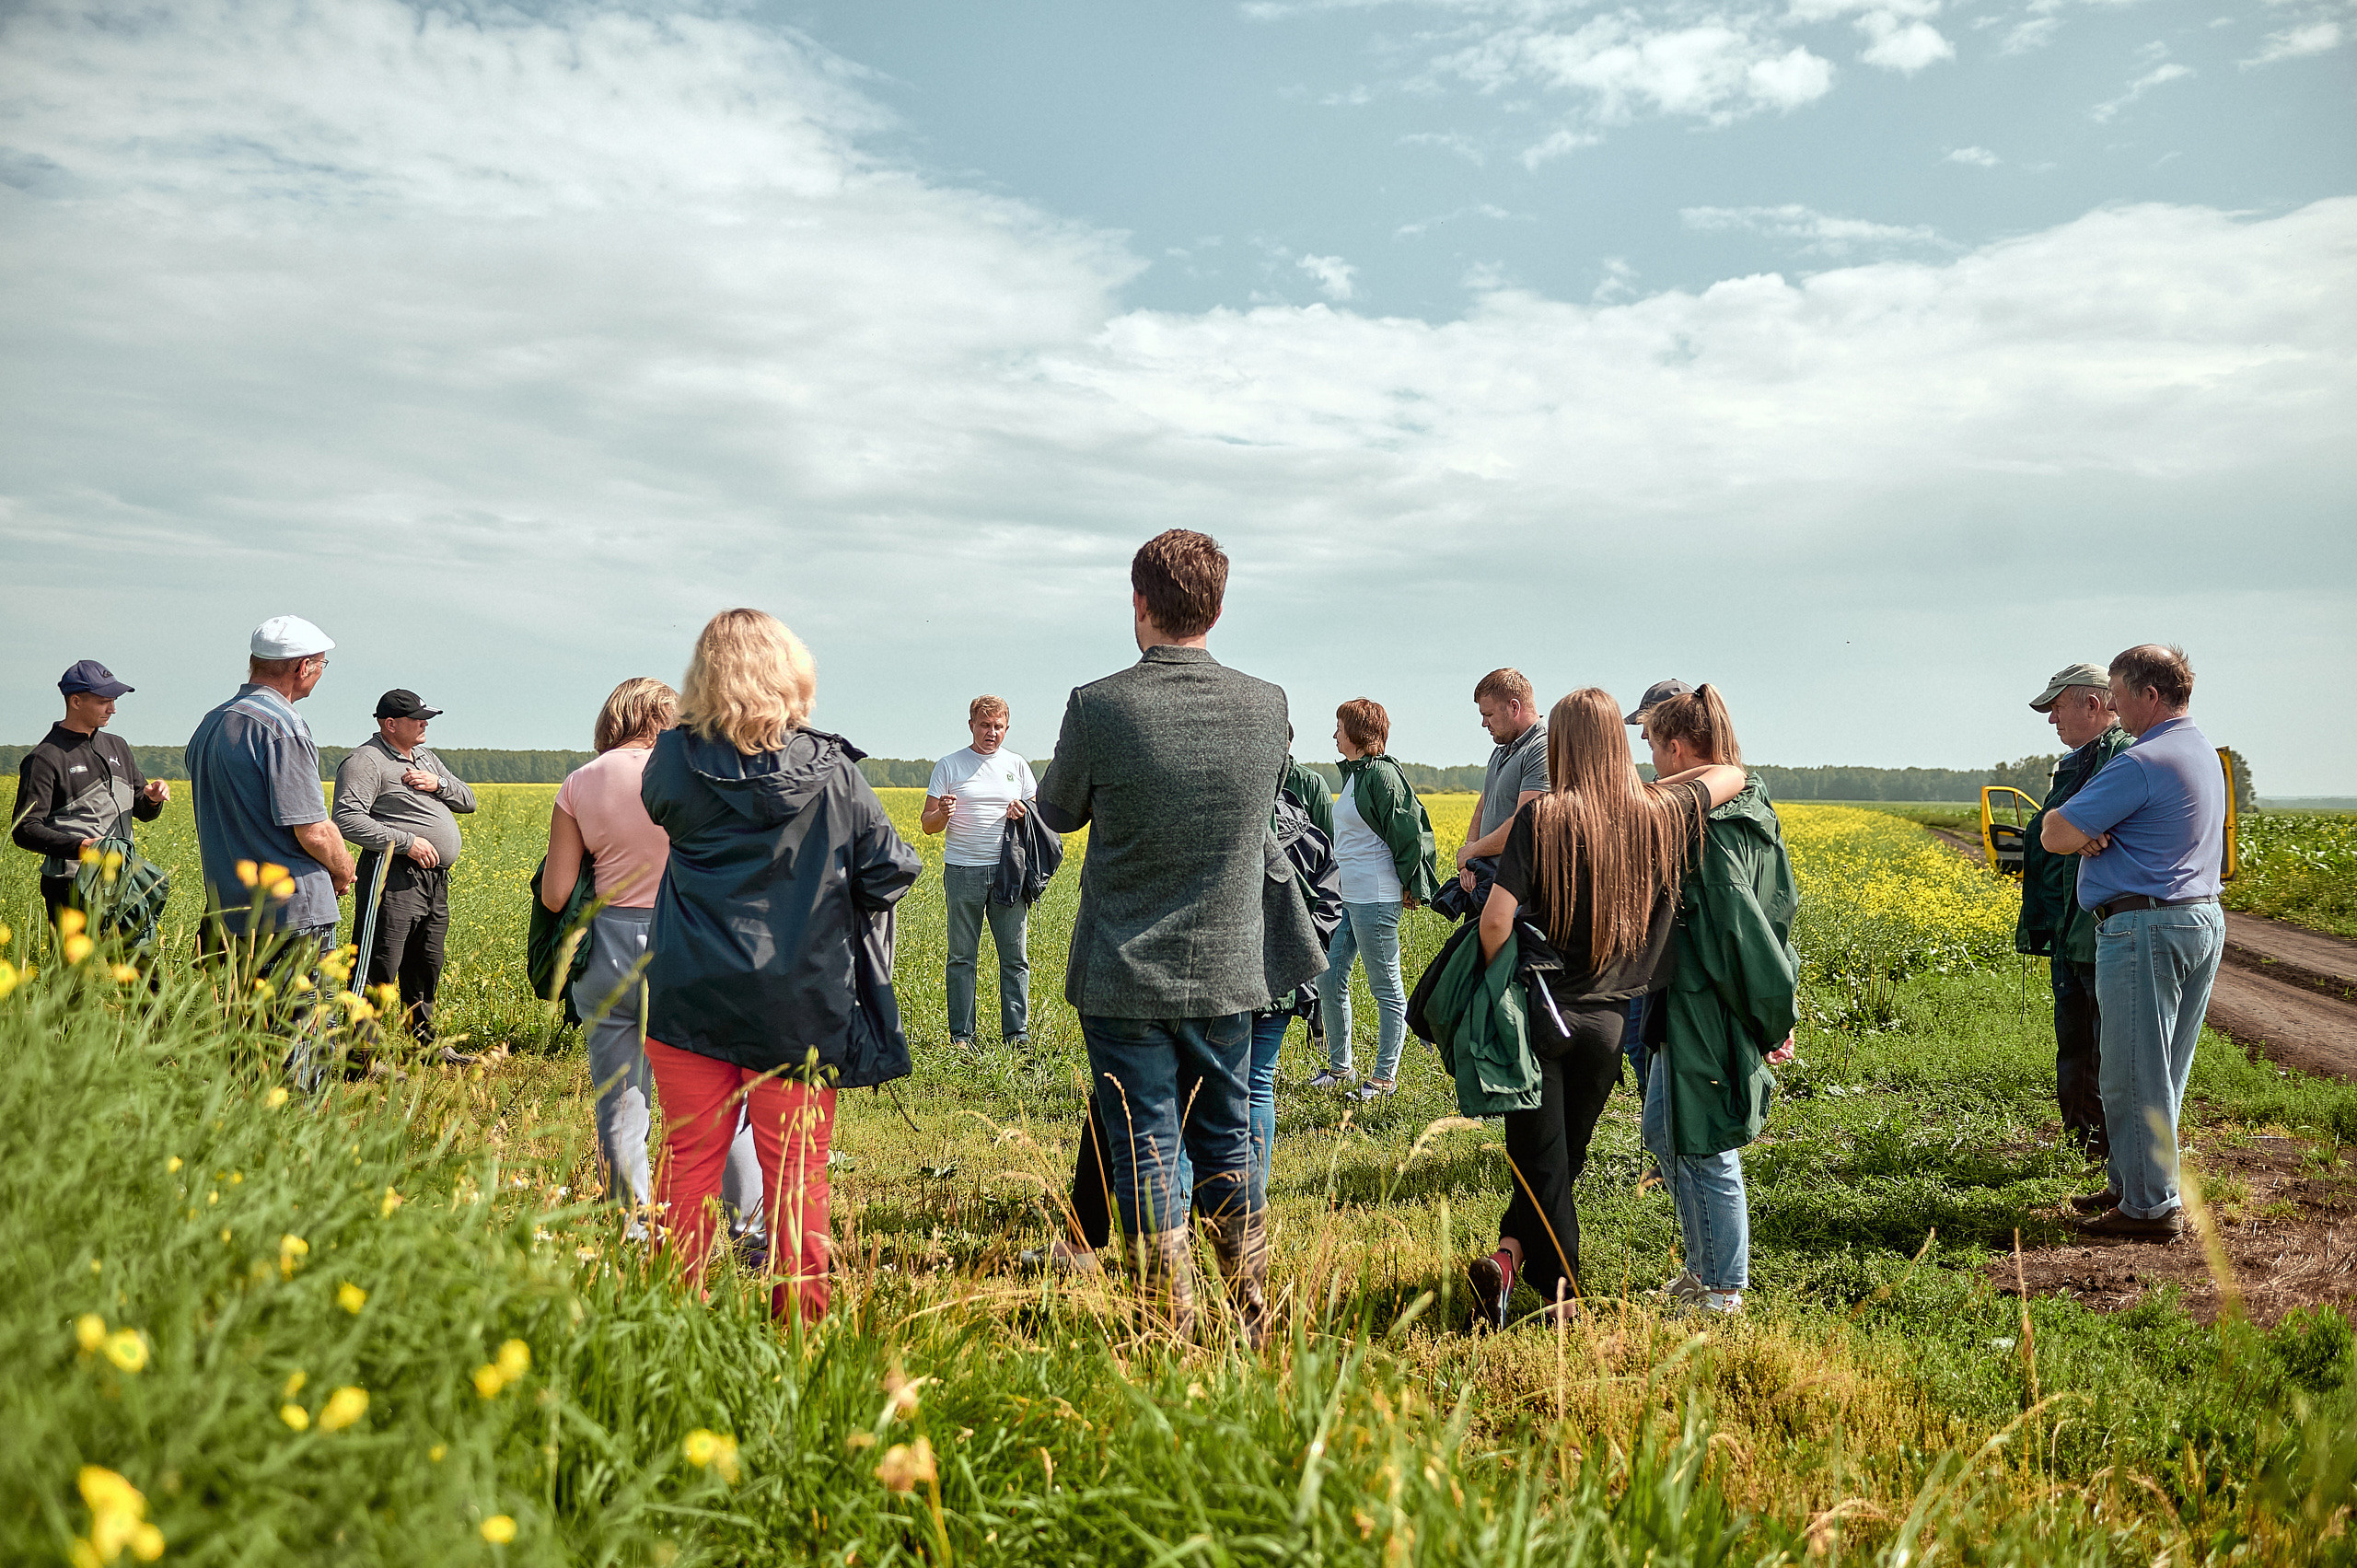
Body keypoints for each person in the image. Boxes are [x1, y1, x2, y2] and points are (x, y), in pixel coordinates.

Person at [1033, 528, 1324, 1343]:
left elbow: (1057, 812)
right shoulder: (1267, 704)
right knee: (1226, 1132)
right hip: (1229, 966)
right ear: (1219, 607)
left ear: (1139, 602)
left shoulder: (1100, 704)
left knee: (1146, 1143)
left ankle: (1173, 1321)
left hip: (1124, 970)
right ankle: (1252, 1315)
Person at [641, 610, 922, 1323]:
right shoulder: (834, 772)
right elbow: (892, 868)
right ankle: (799, 1329)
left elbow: (660, 807)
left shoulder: (673, 757)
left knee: (688, 1169)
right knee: (797, 1180)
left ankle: (678, 1322)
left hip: (689, 995)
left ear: (704, 676)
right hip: (798, 1002)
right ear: (792, 673)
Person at [1466, 689, 1747, 1329]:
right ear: (1620, 745)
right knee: (1558, 1161)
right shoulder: (1655, 811)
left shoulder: (1545, 819)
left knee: (1543, 1163)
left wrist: (1493, 980)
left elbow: (1496, 920)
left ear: (1560, 744)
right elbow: (1731, 773)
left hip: (1542, 1015)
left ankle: (1564, 1302)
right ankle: (1508, 1260)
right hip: (1611, 1022)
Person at [542, 677, 765, 1243]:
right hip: (690, 942)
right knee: (721, 1091)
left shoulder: (579, 782)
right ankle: (748, 1226)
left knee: (620, 1098)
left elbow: (556, 894)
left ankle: (633, 1228)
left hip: (610, 948)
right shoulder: (697, 778)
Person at [2042, 645, 2224, 1240]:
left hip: (2145, 927)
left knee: (2129, 1070)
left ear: (2149, 695)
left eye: (2118, 697)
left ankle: (2148, 1206)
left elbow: (2055, 831)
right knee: (2161, 1068)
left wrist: (2081, 828)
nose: (2114, 709)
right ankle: (2130, 1182)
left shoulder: (2143, 760)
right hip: (2195, 918)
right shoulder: (2198, 750)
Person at [1639, 686, 1798, 1317]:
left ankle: (1724, 1288)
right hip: (1691, 999)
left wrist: (1768, 1015)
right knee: (1666, 1129)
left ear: (1677, 747)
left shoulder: (1715, 828)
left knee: (1705, 1144)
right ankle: (1702, 1269)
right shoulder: (1748, 802)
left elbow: (1744, 935)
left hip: (1707, 1002)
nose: (1650, 761)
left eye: (1652, 746)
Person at [186, 617, 354, 970]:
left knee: (243, 1022)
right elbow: (313, 831)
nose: (321, 672)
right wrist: (343, 869)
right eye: (321, 664)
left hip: (230, 909)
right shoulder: (283, 727)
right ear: (302, 666)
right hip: (290, 911)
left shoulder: (211, 722)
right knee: (300, 1022)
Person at [2014, 664, 2131, 1159]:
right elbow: (2053, 834)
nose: (2051, 720)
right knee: (2078, 1043)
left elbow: (2106, 830)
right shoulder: (2077, 763)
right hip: (2072, 926)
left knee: (2106, 1049)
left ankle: (2109, 1154)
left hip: (2100, 926)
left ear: (2094, 703)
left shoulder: (2125, 757)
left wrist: (2073, 831)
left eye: (2057, 707)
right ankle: (2084, 1146)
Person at [333, 691, 477, 1057]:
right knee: (379, 963)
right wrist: (406, 841)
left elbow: (468, 801)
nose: (424, 723)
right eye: (416, 718)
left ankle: (424, 1047)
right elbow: (347, 819)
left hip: (433, 879)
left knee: (426, 963)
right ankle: (360, 1057)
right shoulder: (365, 761)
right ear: (389, 723)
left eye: (425, 716)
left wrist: (438, 784)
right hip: (391, 873)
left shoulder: (425, 757)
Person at [1310, 699, 1439, 1100]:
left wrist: (1411, 884)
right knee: (1329, 977)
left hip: (1375, 896)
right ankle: (1340, 1067)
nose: (1334, 734)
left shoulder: (1381, 775)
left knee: (1385, 987)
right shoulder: (1355, 775)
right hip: (1349, 895)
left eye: (1339, 727)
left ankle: (1385, 1077)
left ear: (1357, 733)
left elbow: (1407, 831)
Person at [12, 661, 169, 930]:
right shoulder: (45, 758)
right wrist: (80, 847)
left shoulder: (117, 746)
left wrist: (152, 799)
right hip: (72, 885)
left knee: (140, 971)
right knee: (71, 971)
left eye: (114, 700)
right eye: (103, 701)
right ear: (75, 701)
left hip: (122, 881)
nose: (113, 709)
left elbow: (142, 810)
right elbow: (24, 829)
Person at [922, 696, 1039, 1050]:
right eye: (985, 725)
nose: (991, 733)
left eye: (998, 726)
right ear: (971, 724)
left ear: (1006, 727)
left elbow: (1038, 815)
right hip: (962, 871)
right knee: (961, 957)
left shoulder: (1016, 765)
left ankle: (1017, 1036)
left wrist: (1024, 812)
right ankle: (962, 1036)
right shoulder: (949, 766)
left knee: (1015, 958)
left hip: (1008, 873)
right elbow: (928, 826)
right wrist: (943, 811)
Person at [1617, 678, 1695, 1106]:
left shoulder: (1708, 794)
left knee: (1649, 1046)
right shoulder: (1659, 782)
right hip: (1640, 947)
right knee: (1635, 1041)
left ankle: (1666, 1148)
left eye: (1648, 725)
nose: (1642, 735)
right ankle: (1660, 1139)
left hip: (1667, 954)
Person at [1454, 669, 1550, 896]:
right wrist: (1469, 858)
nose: (1484, 723)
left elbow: (1524, 823)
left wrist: (1471, 852)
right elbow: (1485, 802)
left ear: (1514, 707)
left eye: (1488, 715)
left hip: (1520, 892)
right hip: (1489, 881)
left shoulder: (1541, 748)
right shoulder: (1501, 750)